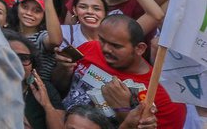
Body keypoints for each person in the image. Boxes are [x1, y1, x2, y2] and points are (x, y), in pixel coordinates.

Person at [56, 15, 185, 128]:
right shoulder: (89, 48)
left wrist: (123, 109)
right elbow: (59, 89)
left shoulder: (165, 96)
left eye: (115, 46)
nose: (105, 49)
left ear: (140, 48)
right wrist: (63, 70)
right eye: (102, 40)